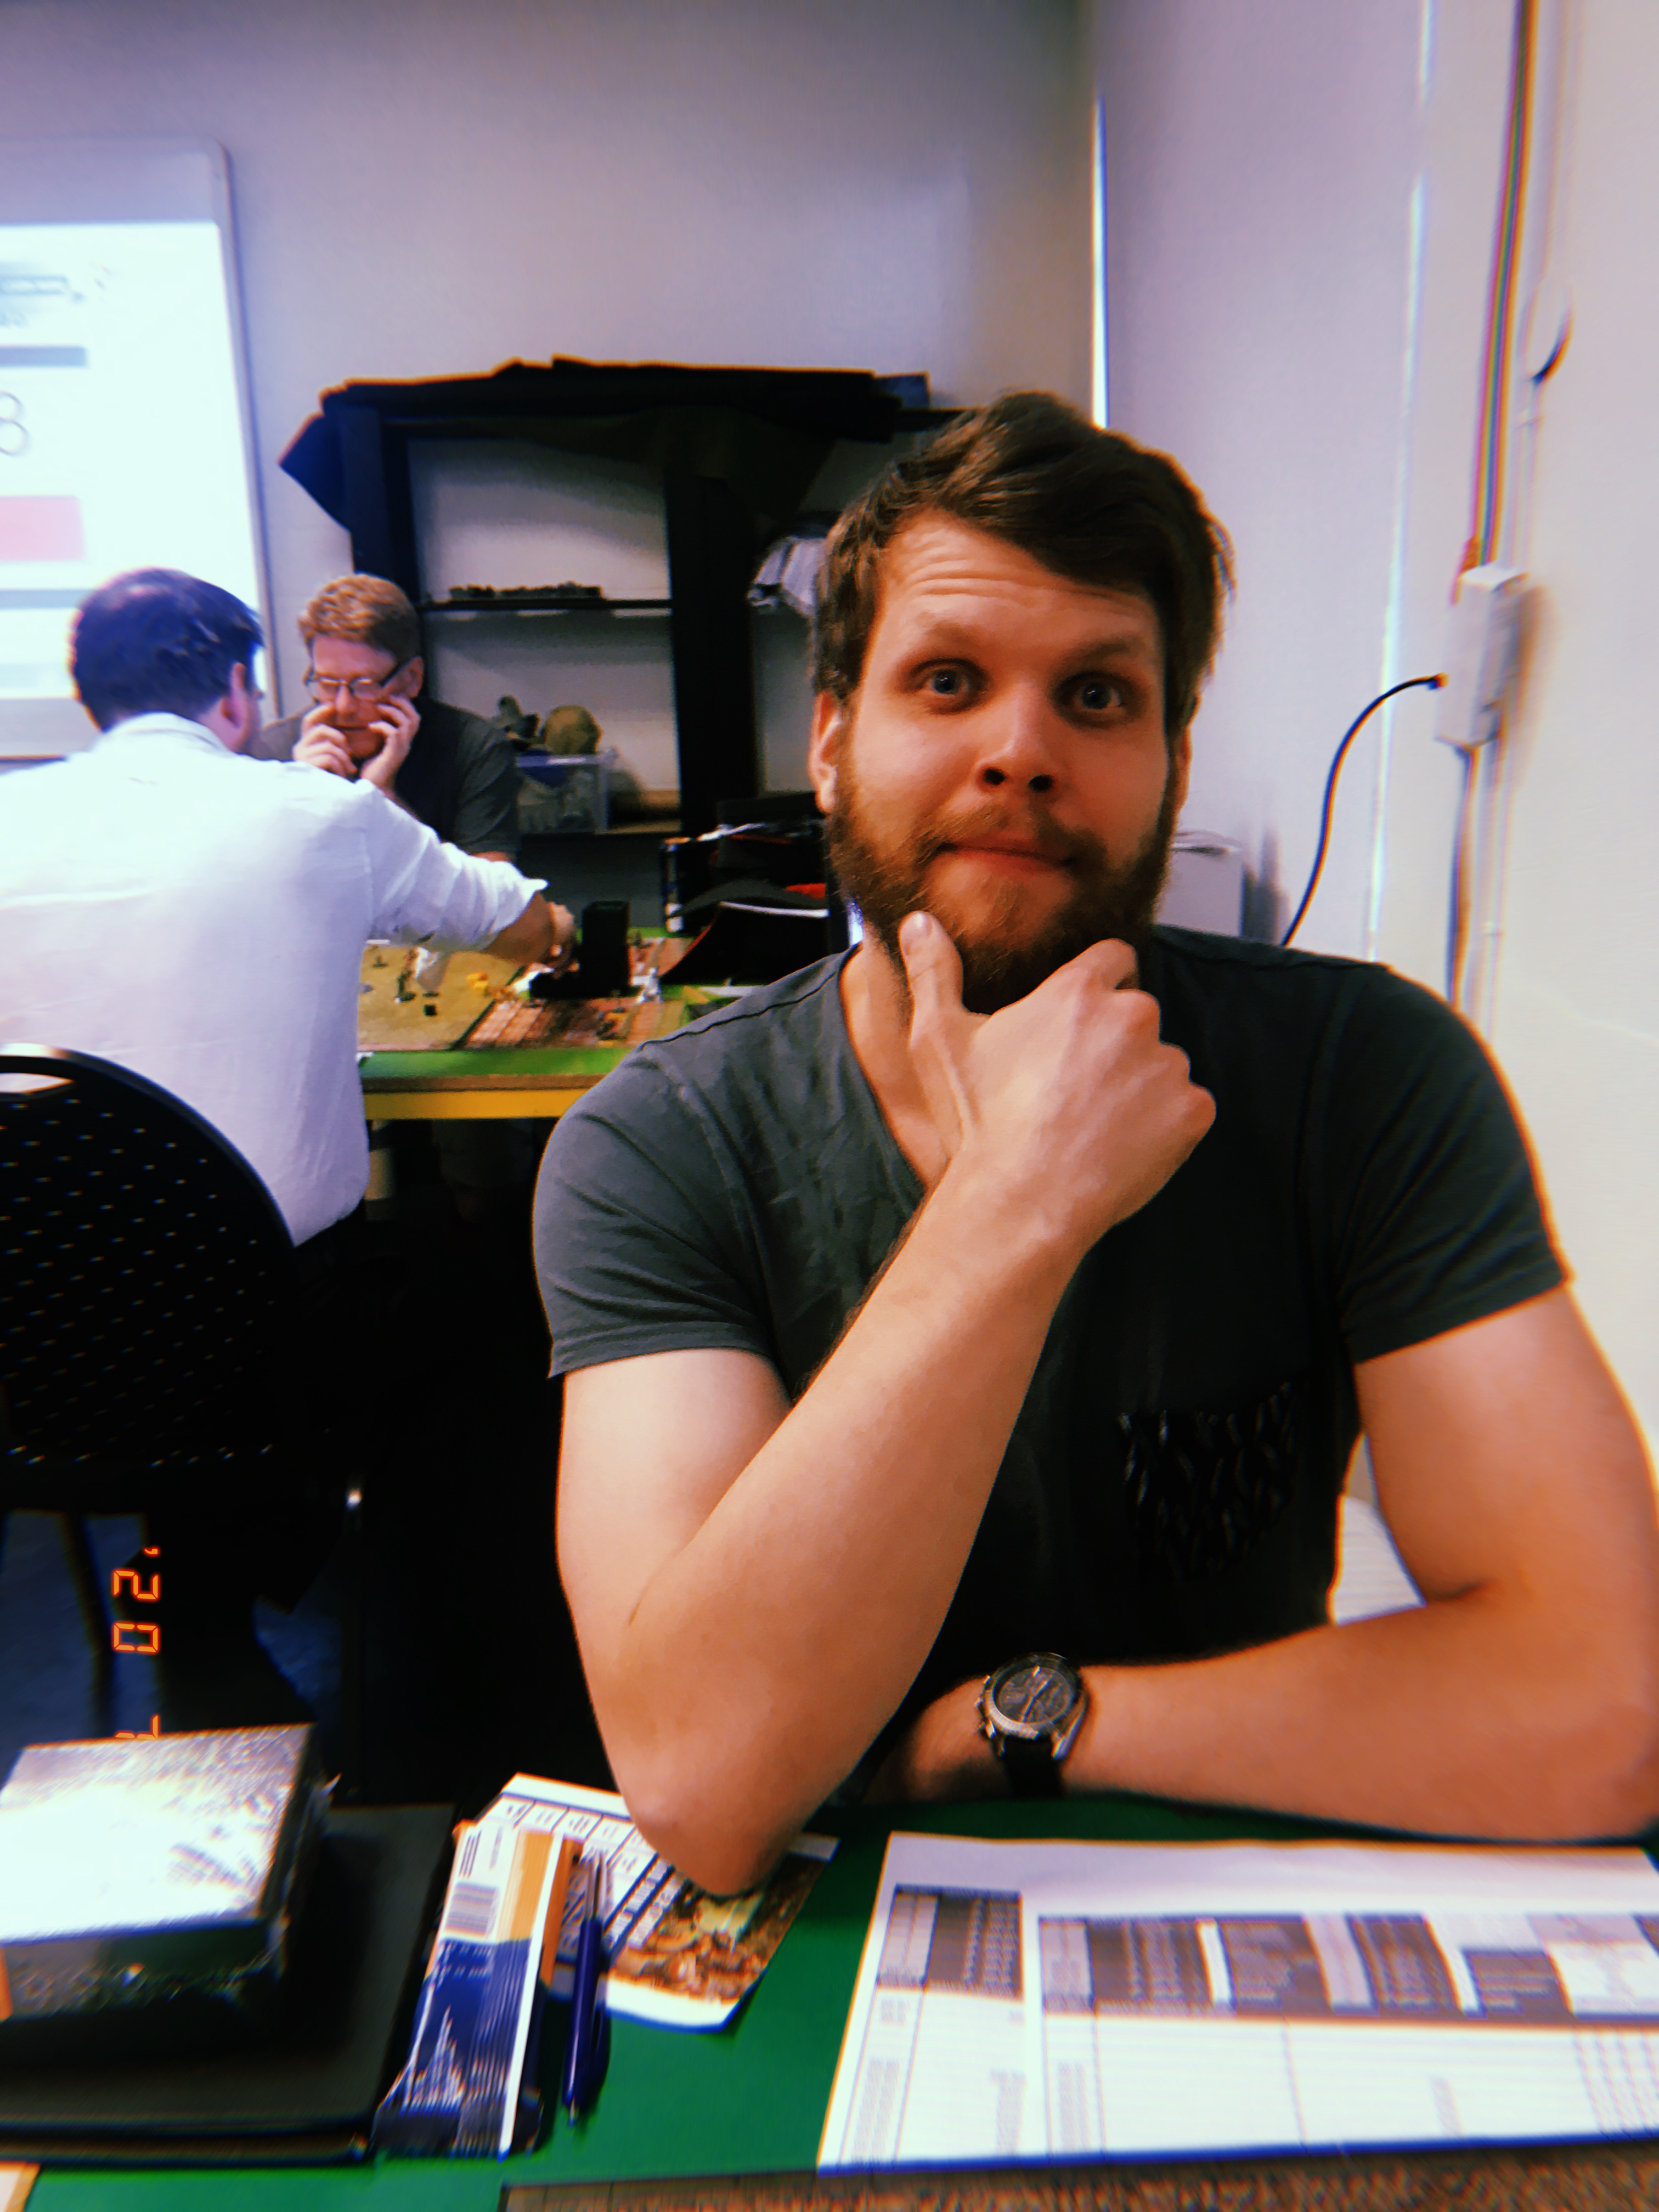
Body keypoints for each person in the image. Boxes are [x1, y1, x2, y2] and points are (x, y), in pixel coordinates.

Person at [534, 396, 1659, 1897]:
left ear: (1172, 765)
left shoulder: (1366, 1076)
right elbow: (706, 1785)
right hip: (829, 1938)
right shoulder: (661, 1144)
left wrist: (1028, 1729)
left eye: (1098, 696)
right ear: (833, 741)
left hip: (1225, 1892)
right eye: (948, 681)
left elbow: (1605, 1701)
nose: (1021, 750)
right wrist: (1015, 1204)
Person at [0, 567, 555, 1244]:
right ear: (238, 692)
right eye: (324, 682)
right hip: (262, 1268)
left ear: (86, 695)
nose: (341, 704)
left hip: (47, 1263)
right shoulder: (318, 803)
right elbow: (524, 925)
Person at [252, 571, 574, 1216]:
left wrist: (377, 799)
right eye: (325, 682)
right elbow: (259, 898)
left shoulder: (471, 745)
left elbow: (492, 895)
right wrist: (302, 797)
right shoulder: (275, 750)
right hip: (324, 985)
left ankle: (484, 1247)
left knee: (485, 1146)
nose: (342, 706)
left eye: (363, 684)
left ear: (412, 679)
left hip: (453, 976)